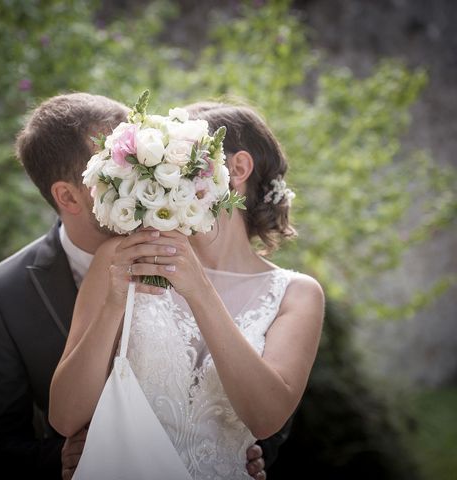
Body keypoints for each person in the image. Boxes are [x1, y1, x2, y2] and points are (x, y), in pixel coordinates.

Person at [0, 93, 276, 479]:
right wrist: (59, 459)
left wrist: (236, 453)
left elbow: (248, 379)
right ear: (68, 195)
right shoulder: (5, 294)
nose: (143, 171)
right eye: (118, 166)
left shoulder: (189, 252)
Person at [49, 103, 325, 479]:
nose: (164, 176)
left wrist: (199, 290)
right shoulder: (121, 257)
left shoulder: (298, 294)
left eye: (184, 162)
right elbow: (65, 417)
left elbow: (266, 420)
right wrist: (114, 302)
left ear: (238, 170)